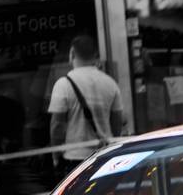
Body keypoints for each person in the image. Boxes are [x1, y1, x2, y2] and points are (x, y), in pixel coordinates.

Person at [49, 36, 126, 173]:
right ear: (95, 55)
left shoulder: (63, 84)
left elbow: (57, 126)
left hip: (74, 158)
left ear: (72, 53)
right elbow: (117, 123)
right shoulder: (110, 83)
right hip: (104, 156)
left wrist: (56, 156)